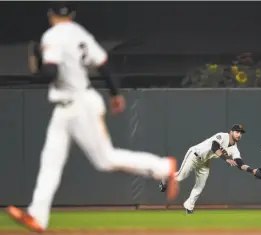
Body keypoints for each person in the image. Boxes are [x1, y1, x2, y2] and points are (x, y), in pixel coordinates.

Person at [6, 3, 178, 232]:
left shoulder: (53, 35)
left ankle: (163, 167)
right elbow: (103, 64)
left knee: (105, 160)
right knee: (50, 163)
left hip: (79, 105)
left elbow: (51, 72)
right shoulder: (80, 33)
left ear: (50, 15)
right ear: (72, 15)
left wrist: (36, 71)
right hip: (67, 107)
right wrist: (115, 92)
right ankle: (38, 215)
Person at [159, 124, 261, 214]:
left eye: (241, 133)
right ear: (231, 132)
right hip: (194, 155)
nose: (239, 134)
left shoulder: (235, 150)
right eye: (237, 132)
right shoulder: (222, 136)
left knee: (200, 185)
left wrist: (253, 171)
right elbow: (214, 147)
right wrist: (225, 159)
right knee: (180, 177)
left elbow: (240, 163)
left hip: (205, 162)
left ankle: (189, 206)